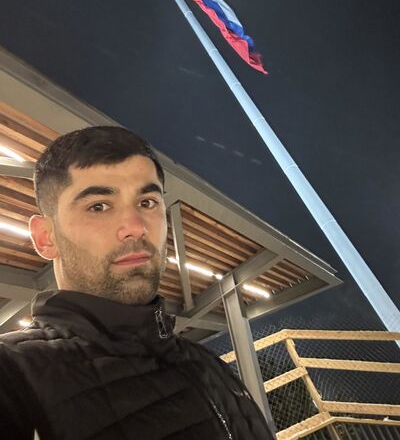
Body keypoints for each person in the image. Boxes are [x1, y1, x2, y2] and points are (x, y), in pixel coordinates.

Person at [0, 126, 274, 440]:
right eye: (99, 206)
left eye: (147, 202)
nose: (135, 227)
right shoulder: (13, 374)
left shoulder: (208, 363)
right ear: (45, 238)